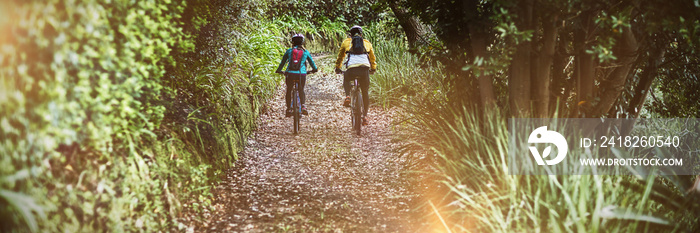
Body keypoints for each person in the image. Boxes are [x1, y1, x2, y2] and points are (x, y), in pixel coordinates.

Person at [335, 25, 376, 125]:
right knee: (365, 92)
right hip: (364, 69)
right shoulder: (366, 43)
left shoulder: (346, 42)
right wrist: (373, 68)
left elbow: (341, 56)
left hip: (352, 69)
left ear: (350, 34)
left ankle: (348, 96)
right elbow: (372, 58)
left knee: (346, 78)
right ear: (361, 34)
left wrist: (338, 67)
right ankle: (365, 116)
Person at [275, 34, 318, 117]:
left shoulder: (289, 51)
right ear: (302, 42)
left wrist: (279, 70)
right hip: (301, 74)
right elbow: (312, 64)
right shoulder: (305, 52)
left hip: (290, 74)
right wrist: (314, 70)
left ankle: (288, 109)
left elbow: (282, 63)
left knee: (289, 90)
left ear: (292, 42)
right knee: (301, 89)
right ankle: (303, 106)